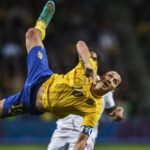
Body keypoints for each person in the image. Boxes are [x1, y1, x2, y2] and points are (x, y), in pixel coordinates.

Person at [0, 1, 121, 150]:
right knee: (32, 34)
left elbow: (82, 139)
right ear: (103, 76)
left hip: (29, 101)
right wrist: (87, 63)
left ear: (112, 89)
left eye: (115, 81)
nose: (111, 79)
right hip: (42, 76)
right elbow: (81, 44)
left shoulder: (94, 109)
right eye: (110, 76)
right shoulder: (89, 70)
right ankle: (42, 24)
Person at [47, 52, 124, 150]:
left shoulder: (103, 85)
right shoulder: (70, 77)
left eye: (94, 59)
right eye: (89, 58)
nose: (91, 61)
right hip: (62, 131)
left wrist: (118, 111)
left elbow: (111, 110)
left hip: (84, 134)